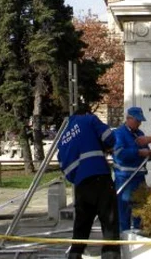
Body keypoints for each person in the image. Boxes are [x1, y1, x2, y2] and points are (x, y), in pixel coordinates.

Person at [57, 106, 120, 259]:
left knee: (81, 224)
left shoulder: (64, 136)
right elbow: (109, 138)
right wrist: (105, 147)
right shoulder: (89, 119)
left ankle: (75, 255)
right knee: (109, 220)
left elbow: (63, 164)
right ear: (86, 113)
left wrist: (78, 176)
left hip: (81, 184)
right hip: (100, 177)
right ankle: (110, 256)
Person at [113, 106, 151, 233]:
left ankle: (139, 236)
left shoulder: (140, 134)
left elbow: (144, 154)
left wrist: (149, 155)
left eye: (140, 121)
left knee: (140, 211)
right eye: (137, 121)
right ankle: (124, 239)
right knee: (124, 212)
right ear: (128, 119)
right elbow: (119, 154)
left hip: (139, 178)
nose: (139, 123)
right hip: (125, 179)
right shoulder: (119, 133)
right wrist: (138, 153)